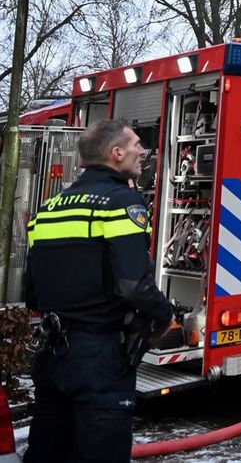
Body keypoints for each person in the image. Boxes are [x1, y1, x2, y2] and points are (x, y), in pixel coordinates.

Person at [23, 119, 173, 463]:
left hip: (52, 354)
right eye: (136, 144)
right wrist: (165, 316)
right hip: (100, 356)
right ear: (116, 153)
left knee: (47, 453)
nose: (142, 151)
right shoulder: (121, 203)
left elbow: (32, 291)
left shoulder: (49, 208)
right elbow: (134, 284)